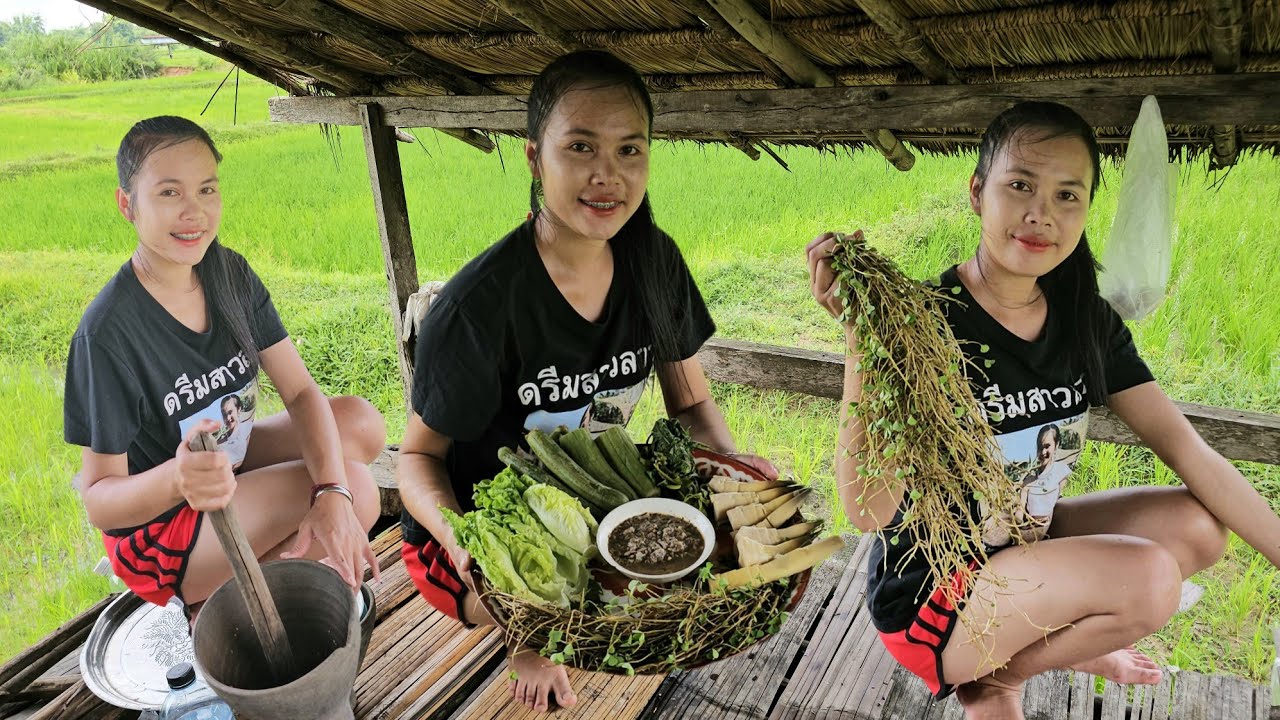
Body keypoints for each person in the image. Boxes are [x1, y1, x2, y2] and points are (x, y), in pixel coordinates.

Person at [806, 101, 1280, 720]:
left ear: (1086, 210)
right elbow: (867, 510)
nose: (1041, 214)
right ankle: (995, 679)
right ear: (978, 192)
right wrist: (861, 335)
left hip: (1023, 545)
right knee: (1151, 579)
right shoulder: (920, 322)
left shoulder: (1086, 320)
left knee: (1196, 527)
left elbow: (1189, 451)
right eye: (1020, 185)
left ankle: (1026, 655)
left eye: (1067, 196)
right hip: (937, 596)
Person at [396, 50, 777, 714]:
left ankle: (564, 609)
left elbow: (690, 404)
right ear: (533, 156)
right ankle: (528, 633)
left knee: (716, 566)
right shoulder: (480, 306)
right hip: (480, 527)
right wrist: (468, 544)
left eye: (630, 149)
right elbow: (418, 459)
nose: (608, 175)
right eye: (580, 146)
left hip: (591, 505)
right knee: (584, 602)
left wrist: (734, 477)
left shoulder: (653, 261)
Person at [65, 116, 386, 620]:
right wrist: (178, 479)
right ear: (127, 204)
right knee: (361, 489)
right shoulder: (108, 332)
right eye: (169, 192)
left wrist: (330, 493)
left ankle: (271, 568)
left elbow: (301, 393)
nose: (194, 212)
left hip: (225, 462)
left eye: (206, 189)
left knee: (359, 423)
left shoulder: (228, 273)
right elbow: (100, 503)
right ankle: (219, 606)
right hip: (162, 524)